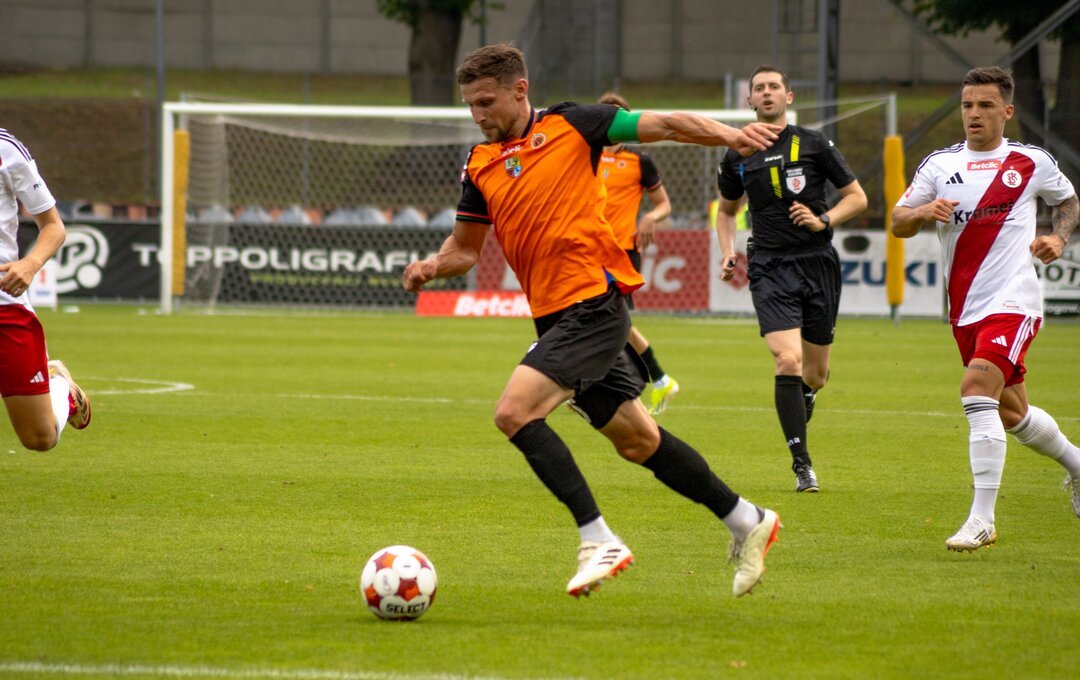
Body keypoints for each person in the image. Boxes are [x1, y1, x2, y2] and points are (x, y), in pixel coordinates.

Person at [404, 44, 782, 598]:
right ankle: (747, 519)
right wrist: (432, 266)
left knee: (514, 413)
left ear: (519, 90)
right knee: (637, 440)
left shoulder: (573, 125)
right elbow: (465, 248)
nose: (477, 114)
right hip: (553, 317)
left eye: (486, 102)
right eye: (470, 105)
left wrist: (731, 135)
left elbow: (664, 123)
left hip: (594, 304)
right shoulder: (479, 163)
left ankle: (597, 539)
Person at [892, 66, 1080, 552]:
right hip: (965, 310)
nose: (973, 114)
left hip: (1014, 302)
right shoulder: (939, 165)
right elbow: (898, 221)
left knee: (976, 391)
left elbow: (1068, 202)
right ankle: (1078, 466)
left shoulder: (1030, 161)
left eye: (985, 105)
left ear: (1007, 111)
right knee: (1013, 413)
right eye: (967, 105)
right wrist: (921, 212)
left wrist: (1059, 238)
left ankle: (982, 519)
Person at [716, 65, 867, 493]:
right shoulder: (737, 153)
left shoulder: (814, 143)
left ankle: (807, 395)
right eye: (758, 88)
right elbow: (726, 212)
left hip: (817, 263)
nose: (766, 93)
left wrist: (823, 219)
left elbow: (857, 198)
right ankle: (803, 465)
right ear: (749, 100)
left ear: (789, 96)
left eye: (773, 87)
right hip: (769, 266)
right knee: (787, 360)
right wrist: (727, 251)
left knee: (815, 375)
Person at [0, 128, 91, 450]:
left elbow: (53, 226)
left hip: (4, 307)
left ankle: (61, 388)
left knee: (39, 438)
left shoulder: (5, 149)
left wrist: (30, 263)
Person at [597, 92, 679, 415]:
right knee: (605, 319)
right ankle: (655, 380)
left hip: (621, 252)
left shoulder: (639, 161)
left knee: (612, 320)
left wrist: (649, 217)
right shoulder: (583, 155)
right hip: (588, 250)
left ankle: (652, 379)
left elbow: (665, 205)